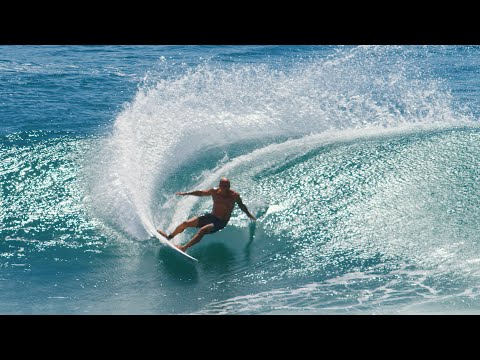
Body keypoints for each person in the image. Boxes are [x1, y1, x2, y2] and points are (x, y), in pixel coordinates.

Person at [157, 177, 256, 253]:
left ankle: (184, 248)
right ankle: (169, 237)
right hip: (211, 216)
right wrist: (186, 193)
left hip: (221, 222)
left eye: (228, 186)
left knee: (203, 230)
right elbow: (201, 193)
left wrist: (249, 214)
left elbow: (242, 206)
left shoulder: (234, 196)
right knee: (185, 223)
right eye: (224, 186)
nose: (227, 188)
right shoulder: (214, 191)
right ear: (220, 185)